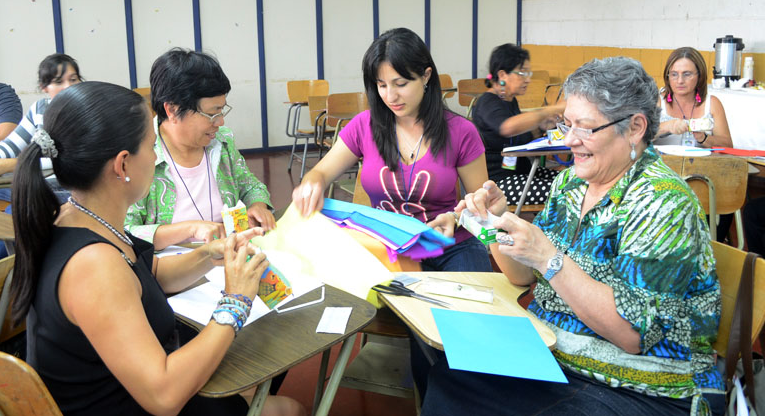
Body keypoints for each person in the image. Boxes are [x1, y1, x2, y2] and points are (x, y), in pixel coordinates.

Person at [424, 57, 725, 416]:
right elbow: (522, 275)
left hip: (643, 386)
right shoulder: (571, 184)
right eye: (568, 125)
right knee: (452, 375)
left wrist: (549, 258)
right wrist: (494, 221)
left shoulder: (662, 202)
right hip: (560, 358)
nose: (569, 140)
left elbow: (632, 334)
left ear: (634, 128)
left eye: (585, 128)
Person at [11, 81, 303, 416]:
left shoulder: (77, 218)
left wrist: (208, 255)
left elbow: (146, 275)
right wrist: (235, 301)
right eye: (151, 146)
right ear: (122, 165)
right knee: (289, 408)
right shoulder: (93, 265)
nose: (155, 155)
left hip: (127, 388)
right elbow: (163, 397)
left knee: (259, 370)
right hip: (134, 402)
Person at [293, 27, 506, 271]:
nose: (390, 96)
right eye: (381, 85)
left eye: (400, 83)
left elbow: (480, 204)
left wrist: (456, 218)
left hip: (450, 247)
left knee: (473, 305)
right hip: (388, 247)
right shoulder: (364, 126)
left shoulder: (460, 132)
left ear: (426, 76)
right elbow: (319, 174)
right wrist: (311, 185)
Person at [125, 49, 276, 250]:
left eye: (221, 111)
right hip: (171, 269)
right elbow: (125, 230)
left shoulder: (221, 143)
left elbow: (250, 186)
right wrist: (190, 229)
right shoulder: (139, 155)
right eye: (212, 114)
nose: (220, 122)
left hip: (226, 257)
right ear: (173, 110)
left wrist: (258, 206)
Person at [0, 54, 82, 272]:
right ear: (44, 87)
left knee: (16, 212)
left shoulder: (85, 112)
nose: (67, 87)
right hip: (38, 187)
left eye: (73, 79)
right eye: (58, 82)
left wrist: (9, 165)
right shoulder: (40, 109)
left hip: (72, 192)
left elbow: (67, 160)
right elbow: (11, 144)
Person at [471, 43, 564, 205]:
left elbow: (518, 138)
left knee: (571, 180)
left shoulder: (509, 101)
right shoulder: (487, 102)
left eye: (528, 73)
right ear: (502, 75)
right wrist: (550, 110)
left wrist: (542, 127)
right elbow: (507, 128)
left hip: (521, 173)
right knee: (562, 190)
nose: (528, 79)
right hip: (499, 183)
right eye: (522, 73)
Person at [655, 47, 732, 148]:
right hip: (663, 163)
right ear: (667, 76)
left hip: (702, 163)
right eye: (674, 74)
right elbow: (634, 139)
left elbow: (728, 145)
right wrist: (666, 127)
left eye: (687, 74)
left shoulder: (712, 103)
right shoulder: (657, 102)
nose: (680, 81)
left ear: (700, 76)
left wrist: (704, 138)